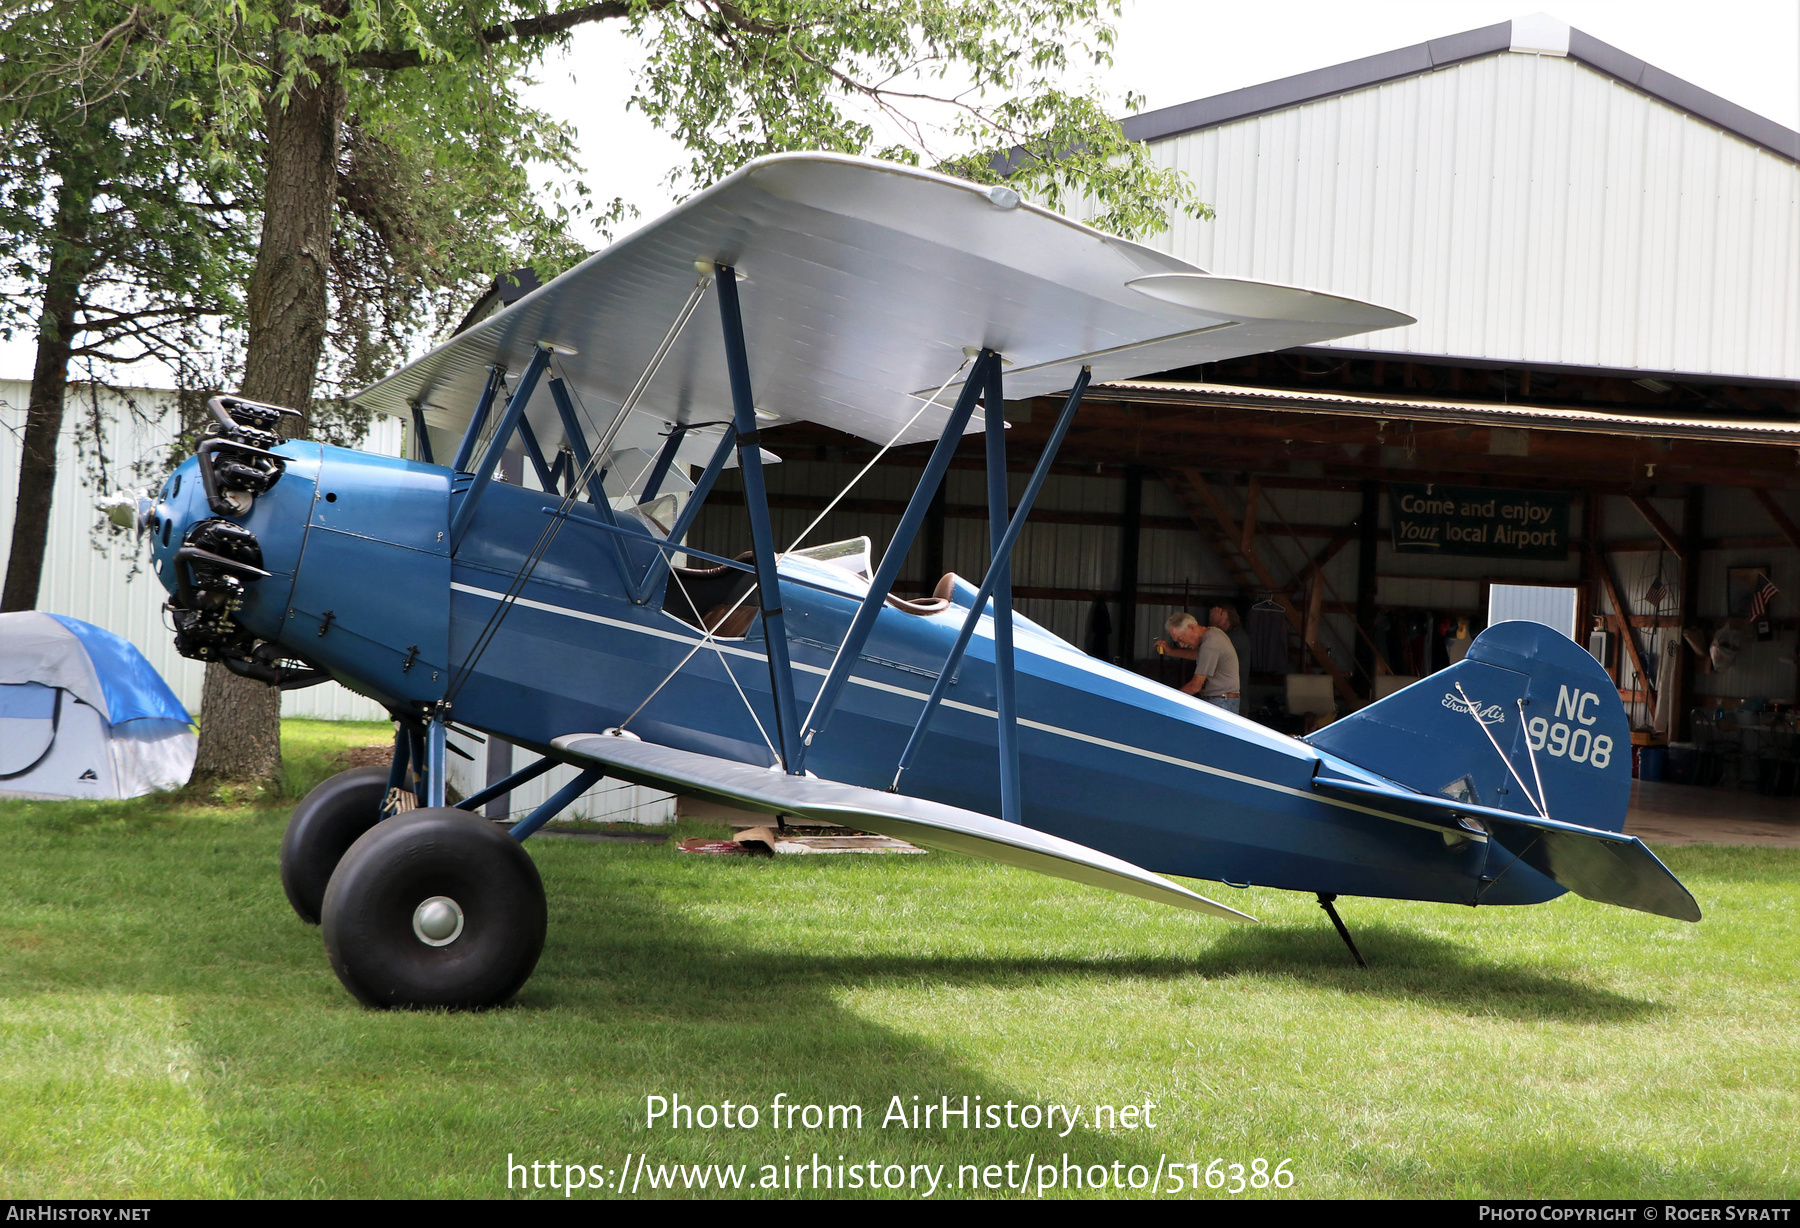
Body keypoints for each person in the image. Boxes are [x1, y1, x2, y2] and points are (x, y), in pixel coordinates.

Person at [1154, 607, 1241, 713]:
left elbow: (1195, 686)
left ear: (1192, 627)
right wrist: (1171, 651)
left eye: (1181, 639)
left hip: (1221, 702)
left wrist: (1168, 703)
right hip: (1221, 699)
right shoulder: (1213, 633)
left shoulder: (1210, 644)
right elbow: (1199, 655)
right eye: (1177, 642)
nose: (1181, 645)